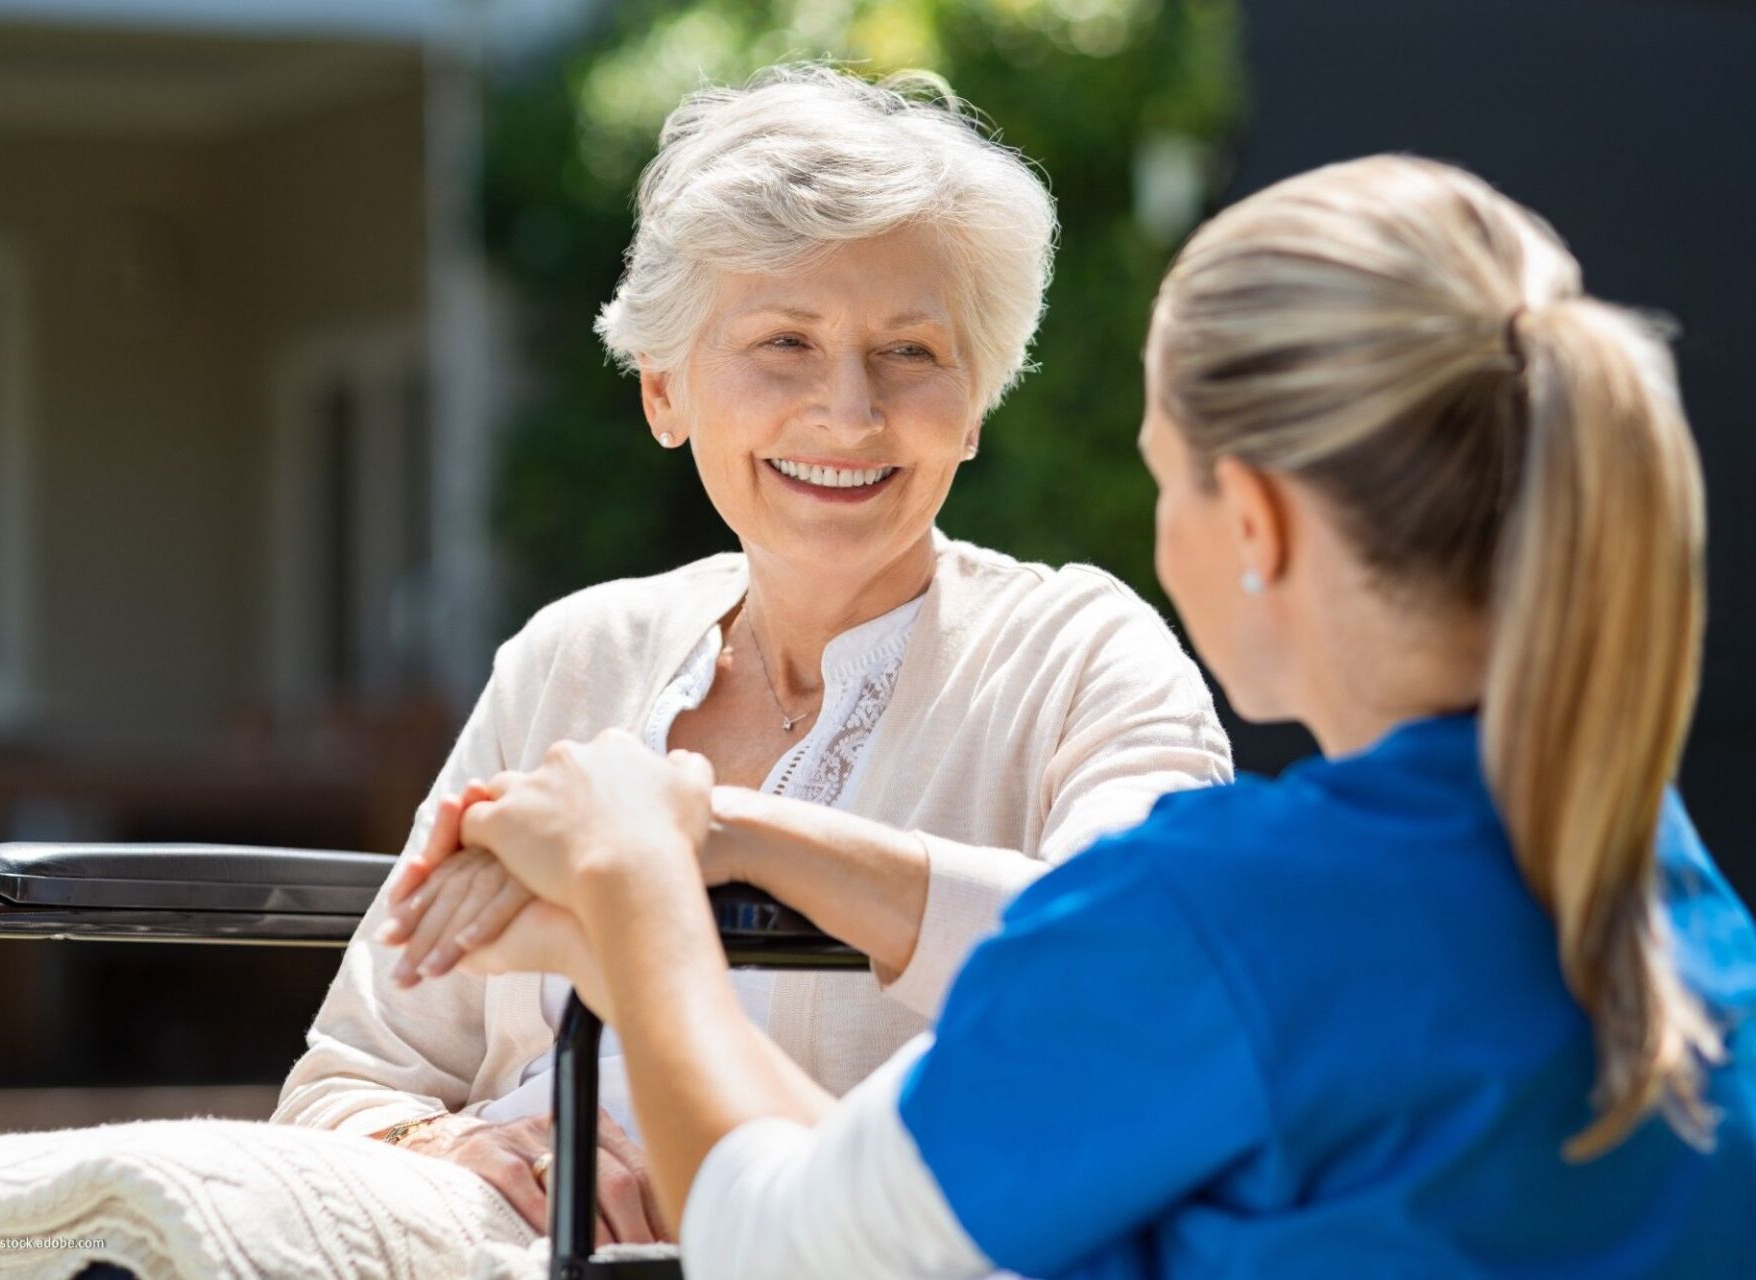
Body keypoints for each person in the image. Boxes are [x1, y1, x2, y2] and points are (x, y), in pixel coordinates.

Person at [432, 155, 1756, 1277]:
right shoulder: (1663, 888)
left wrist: (635, 880)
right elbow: (882, 1220)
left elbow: (789, 1246)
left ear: (1258, 524)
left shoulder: (1216, 925)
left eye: (1163, 478)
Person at [272, 64, 1231, 1249]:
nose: (849, 411)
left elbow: (1137, 974)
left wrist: (711, 830)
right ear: (665, 389)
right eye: (785, 341)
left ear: (976, 402)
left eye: (912, 352)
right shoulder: (573, 657)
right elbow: (350, 1079)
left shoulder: (1086, 653)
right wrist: (462, 1149)